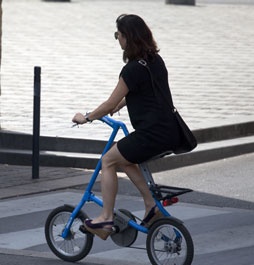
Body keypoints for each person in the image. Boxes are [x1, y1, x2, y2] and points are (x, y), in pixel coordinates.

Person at [72, 14, 181, 240]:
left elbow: (109, 103)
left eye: (118, 35)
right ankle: (151, 205)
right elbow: (145, 91)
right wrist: (123, 103)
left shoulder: (131, 69)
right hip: (169, 131)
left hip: (151, 134)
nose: (117, 39)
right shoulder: (155, 60)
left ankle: (104, 219)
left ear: (127, 38)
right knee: (126, 157)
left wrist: (87, 117)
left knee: (108, 161)